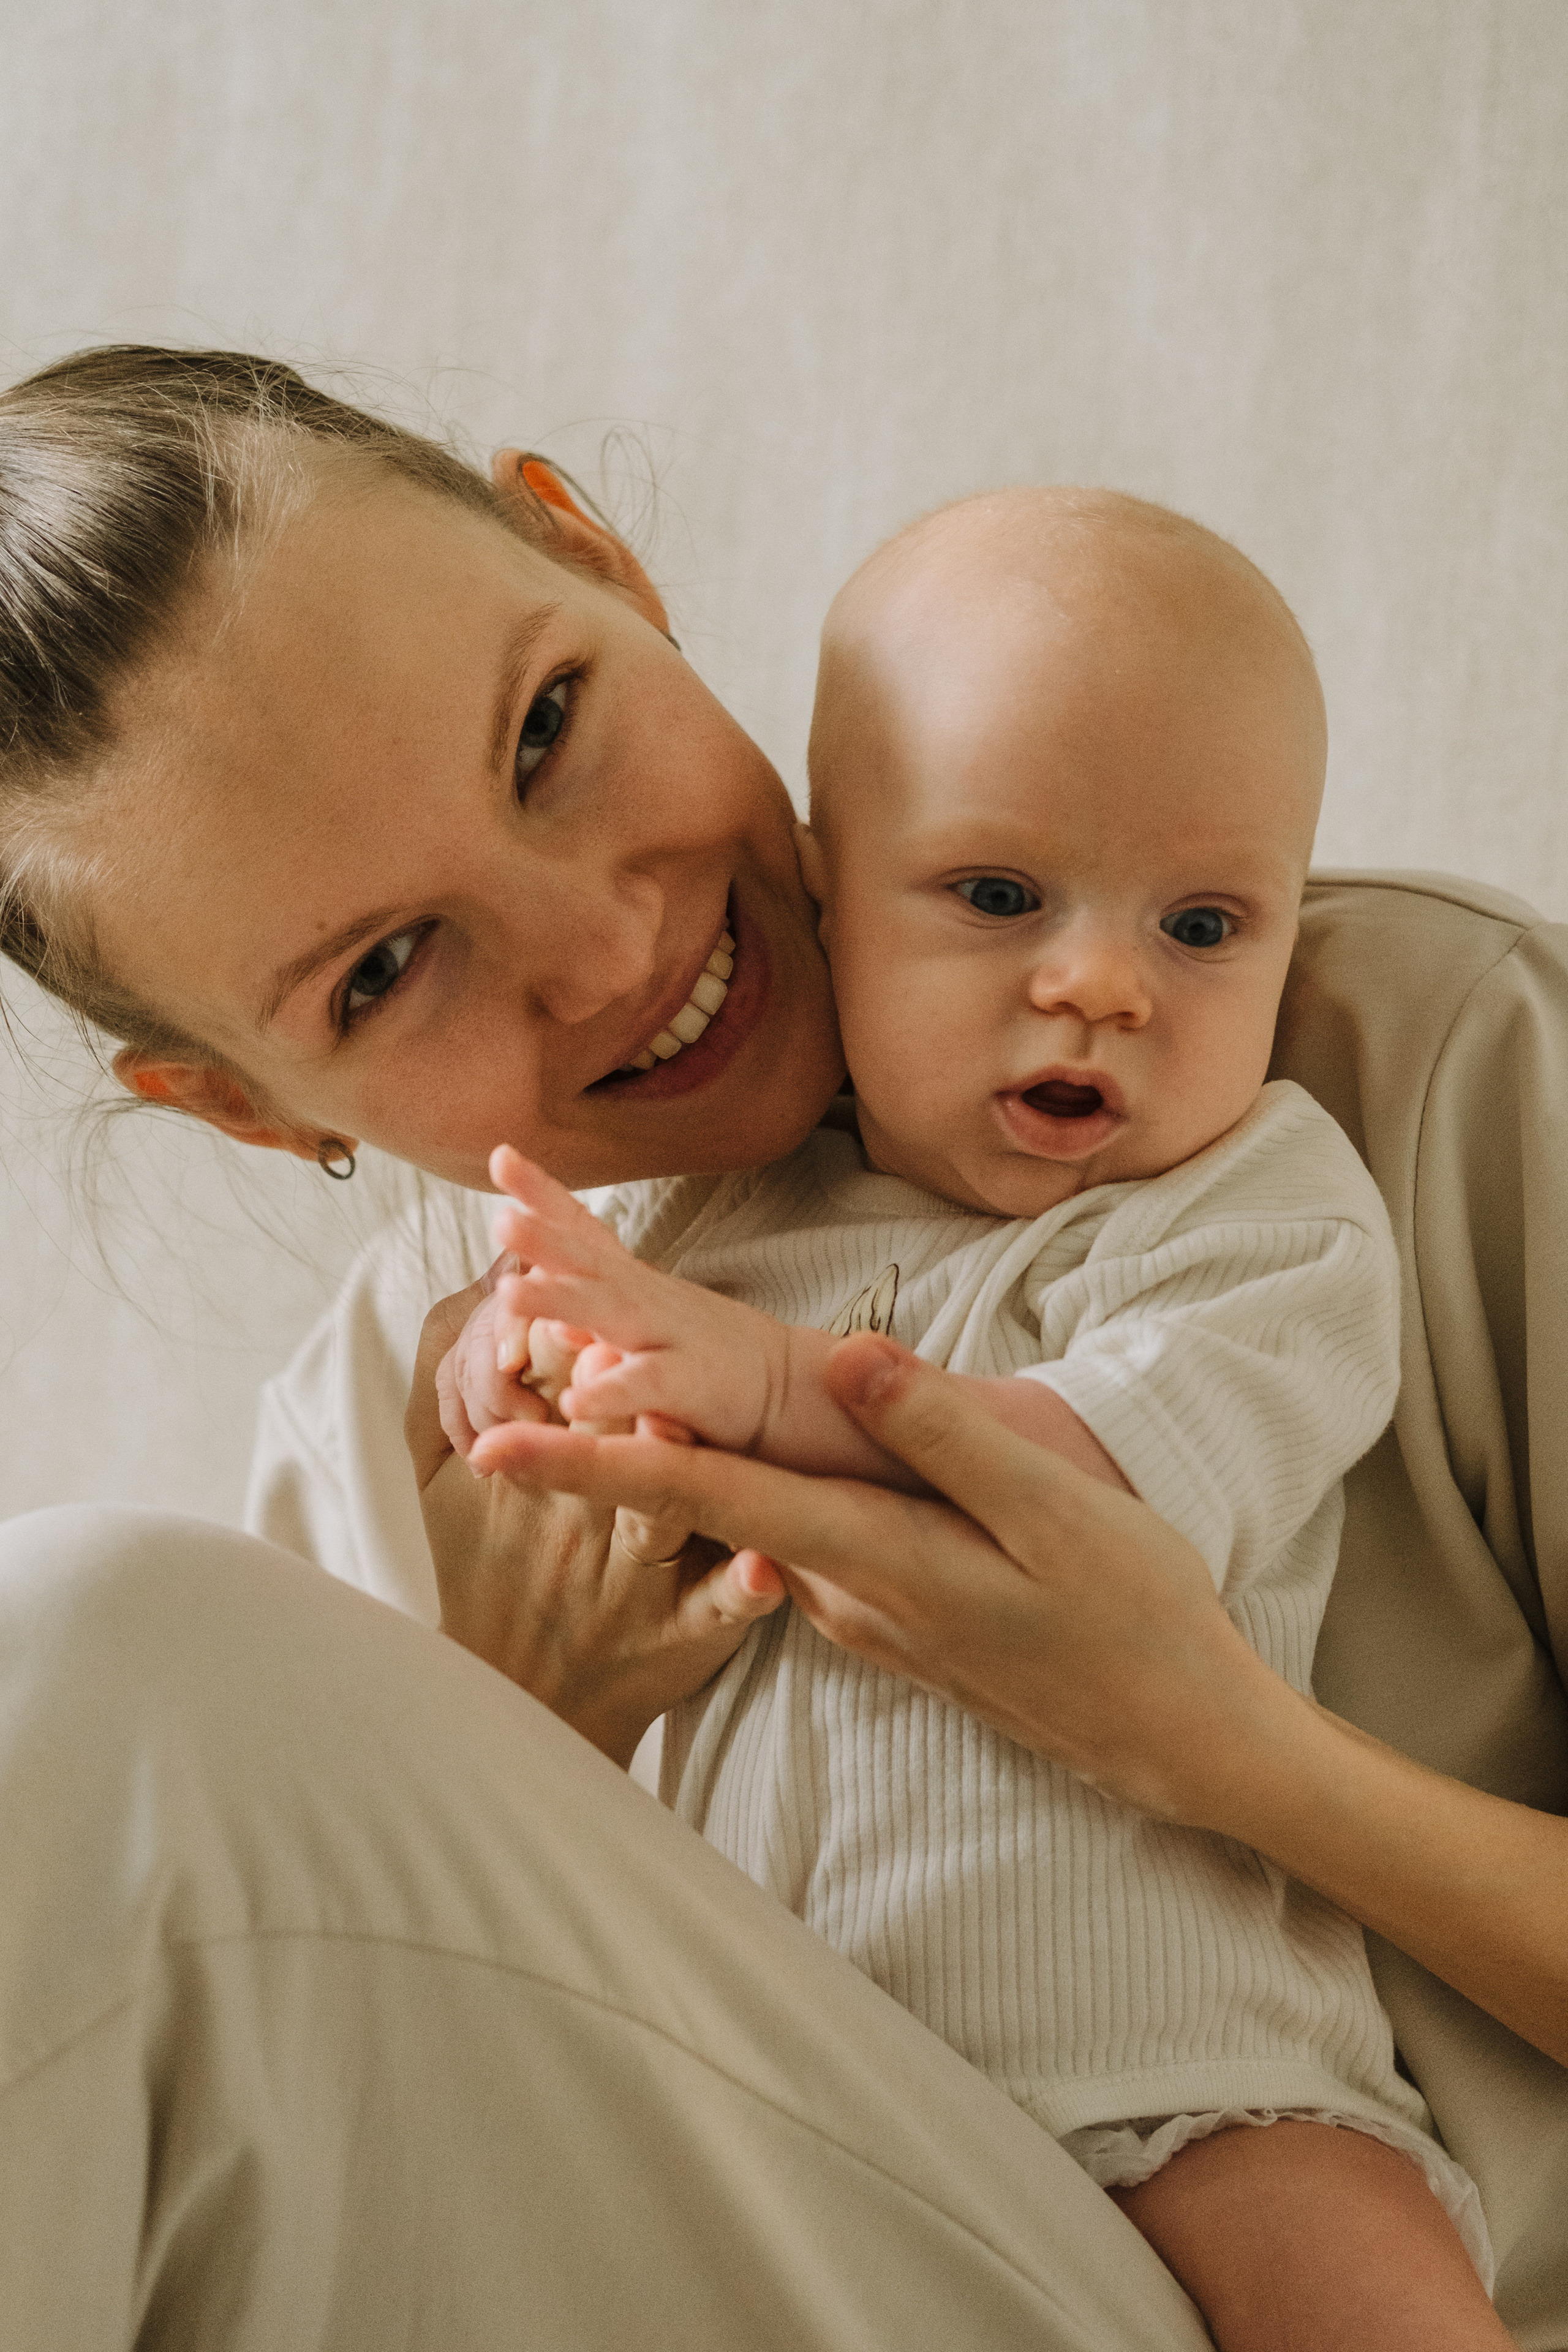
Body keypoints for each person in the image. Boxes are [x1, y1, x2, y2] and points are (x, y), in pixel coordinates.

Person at [0, 345, 1559, 2346]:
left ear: (604, 562)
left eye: (546, 729)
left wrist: (1222, 1744)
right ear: (245, 1105)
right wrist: (527, 1730)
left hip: (1271, 2236)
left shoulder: (1408, 1078)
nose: (606, 947)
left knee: (77, 1641)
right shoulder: (410, 1426)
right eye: (383, 969)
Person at [440, 491, 1497, 2342]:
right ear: (828, 897)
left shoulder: (1257, 1212)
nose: (1101, 984)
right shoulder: (712, 1217)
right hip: (775, 2094)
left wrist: (767, 1385)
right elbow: (553, 1421)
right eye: (999, 899)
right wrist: (509, 1348)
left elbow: (1083, 1487)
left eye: (1204, 924)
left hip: (1180, 2080)